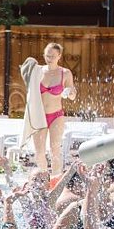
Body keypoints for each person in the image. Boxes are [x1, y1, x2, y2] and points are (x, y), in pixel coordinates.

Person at [32, 43, 77, 175]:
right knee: (39, 152)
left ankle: (56, 179)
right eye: (47, 56)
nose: (49, 58)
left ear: (59, 56)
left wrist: (69, 92)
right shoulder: (38, 71)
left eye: (52, 56)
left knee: (55, 150)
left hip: (56, 116)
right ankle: (42, 179)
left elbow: (73, 96)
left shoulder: (65, 73)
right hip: (39, 116)